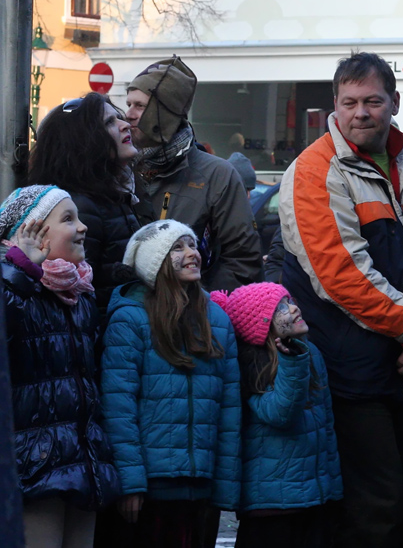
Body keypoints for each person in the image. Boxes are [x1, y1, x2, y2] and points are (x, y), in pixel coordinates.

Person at [278, 52, 403, 548]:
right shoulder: (314, 170)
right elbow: (343, 278)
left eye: (372, 101)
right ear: (335, 105)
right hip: (352, 372)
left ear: (394, 102)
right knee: (378, 508)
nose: (361, 112)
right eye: (350, 102)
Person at [100, 220, 241, 548]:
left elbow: (229, 410)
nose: (191, 253)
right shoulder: (130, 318)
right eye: (177, 248)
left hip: (201, 486)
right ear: (155, 262)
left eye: (192, 245)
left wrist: (225, 487)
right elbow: (118, 407)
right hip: (151, 487)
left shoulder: (217, 319)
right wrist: (130, 482)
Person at [1, 185, 121, 547]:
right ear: (31, 231)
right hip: (34, 464)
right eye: (68, 219)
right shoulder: (13, 284)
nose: (82, 227)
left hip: (82, 458)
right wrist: (20, 273)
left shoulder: (78, 291)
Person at [211, 282, 344, 548]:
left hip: (314, 500)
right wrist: (293, 363)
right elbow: (281, 413)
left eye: (290, 300)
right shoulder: (254, 366)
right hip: (271, 507)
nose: (294, 308)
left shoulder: (309, 352)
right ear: (262, 326)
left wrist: (332, 489)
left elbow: (326, 425)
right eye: (281, 308)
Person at [125, 56, 262, 291]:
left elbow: (242, 260)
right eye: (128, 104)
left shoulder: (217, 175)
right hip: (127, 315)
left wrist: (200, 305)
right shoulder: (120, 169)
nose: (129, 114)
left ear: (165, 113)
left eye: (140, 106)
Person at [28, 92, 143, 311]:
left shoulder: (116, 193)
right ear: (83, 142)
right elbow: (78, 295)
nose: (125, 124)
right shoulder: (78, 206)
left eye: (117, 117)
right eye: (110, 122)